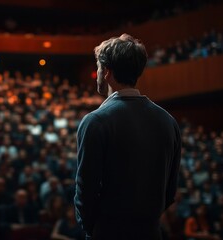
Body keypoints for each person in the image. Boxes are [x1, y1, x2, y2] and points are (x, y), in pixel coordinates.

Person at [74, 34, 181, 240]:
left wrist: (94, 230)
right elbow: (170, 192)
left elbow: (85, 192)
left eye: (97, 67)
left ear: (106, 71)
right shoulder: (169, 121)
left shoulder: (96, 121)